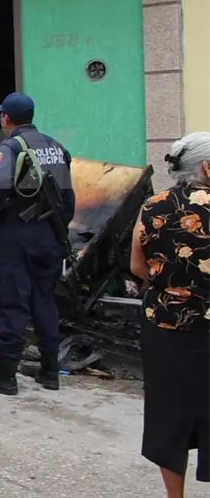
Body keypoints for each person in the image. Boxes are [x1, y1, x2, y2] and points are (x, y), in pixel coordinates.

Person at [0, 92, 75, 395]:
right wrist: (60, 226)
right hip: (51, 236)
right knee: (45, 300)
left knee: (12, 302)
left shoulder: (11, 147)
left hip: (19, 236)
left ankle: (5, 376)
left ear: (6, 118)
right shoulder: (57, 147)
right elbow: (68, 196)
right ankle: (50, 371)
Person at [130, 132, 210, 498]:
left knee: (168, 412)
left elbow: (137, 265)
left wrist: (168, 286)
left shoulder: (154, 205)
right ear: (207, 167)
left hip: (164, 325)